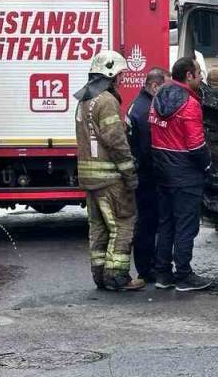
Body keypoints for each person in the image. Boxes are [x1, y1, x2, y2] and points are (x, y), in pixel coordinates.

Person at [74, 50, 144, 292]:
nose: (121, 80)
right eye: (120, 75)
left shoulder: (85, 100)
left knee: (100, 227)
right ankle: (117, 277)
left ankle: (100, 274)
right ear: (111, 73)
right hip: (110, 178)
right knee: (122, 223)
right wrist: (130, 174)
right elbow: (116, 141)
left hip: (90, 178)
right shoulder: (107, 101)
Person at [148, 57, 213, 291]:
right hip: (185, 174)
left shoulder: (158, 98)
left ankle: (163, 274)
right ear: (189, 75)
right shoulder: (190, 104)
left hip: (162, 171)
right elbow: (196, 145)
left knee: (166, 224)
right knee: (186, 225)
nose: (201, 77)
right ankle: (184, 275)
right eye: (198, 73)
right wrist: (207, 165)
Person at [127, 67, 168, 283]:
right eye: (164, 87)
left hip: (141, 174)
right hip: (147, 177)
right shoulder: (145, 112)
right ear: (154, 86)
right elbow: (147, 150)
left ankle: (147, 265)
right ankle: (146, 268)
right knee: (148, 223)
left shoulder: (138, 104)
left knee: (146, 222)